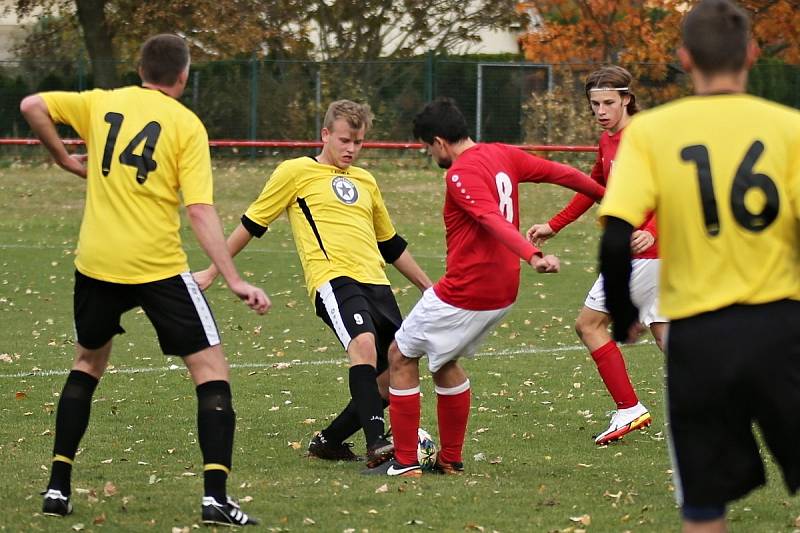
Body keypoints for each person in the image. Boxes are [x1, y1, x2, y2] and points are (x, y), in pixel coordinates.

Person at [20, 34, 269, 526]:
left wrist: (64, 159)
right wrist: (234, 277)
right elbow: (198, 209)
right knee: (212, 371)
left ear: (140, 68)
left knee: (87, 364)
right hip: (156, 267)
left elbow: (31, 105)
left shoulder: (101, 102)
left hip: (96, 263)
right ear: (183, 75)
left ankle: (56, 487)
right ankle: (215, 498)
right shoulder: (186, 125)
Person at [598, 0, 800, 530]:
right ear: (753, 54)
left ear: (685, 59)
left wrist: (623, 319)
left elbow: (616, 237)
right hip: (781, 328)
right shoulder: (789, 128)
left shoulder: (652, 131)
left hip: (700, 338)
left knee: (705, 503)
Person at [365, 97, 607, 477]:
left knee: (399, 355)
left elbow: (489, 218)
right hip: (502, 291)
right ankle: (451, 460)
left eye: (429, 148)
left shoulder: (460, 173)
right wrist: (610, 198)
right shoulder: (503, 154)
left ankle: (406, 462)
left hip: (466, 289)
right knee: (444, 362)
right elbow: (561, 173)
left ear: (440, 142)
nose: (431, 156)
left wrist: (532, 254)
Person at [194, 100, 432, 468]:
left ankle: (330, 440)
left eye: (358, 142)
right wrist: (213, 272)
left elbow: (391, 244)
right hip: (333, 279)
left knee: (395, 370)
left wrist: (427, 287)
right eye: (344, 140)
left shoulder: (367, 181)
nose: (351, 149)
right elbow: (252, 223)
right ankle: (378, 446)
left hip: (377, 283)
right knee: (363, 346)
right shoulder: (295, 172)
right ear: (325, 135)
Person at [526, 66, 666, 445]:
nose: (601, 110)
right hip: (653, 255)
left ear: (627, 99)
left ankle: (629, 408)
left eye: (608, 102)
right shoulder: (609, 141)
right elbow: (594, 187)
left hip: (650, 253)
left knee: (589, 325)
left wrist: (650, 230)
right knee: (668, 337)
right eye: (594, 104)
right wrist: (555, 225)